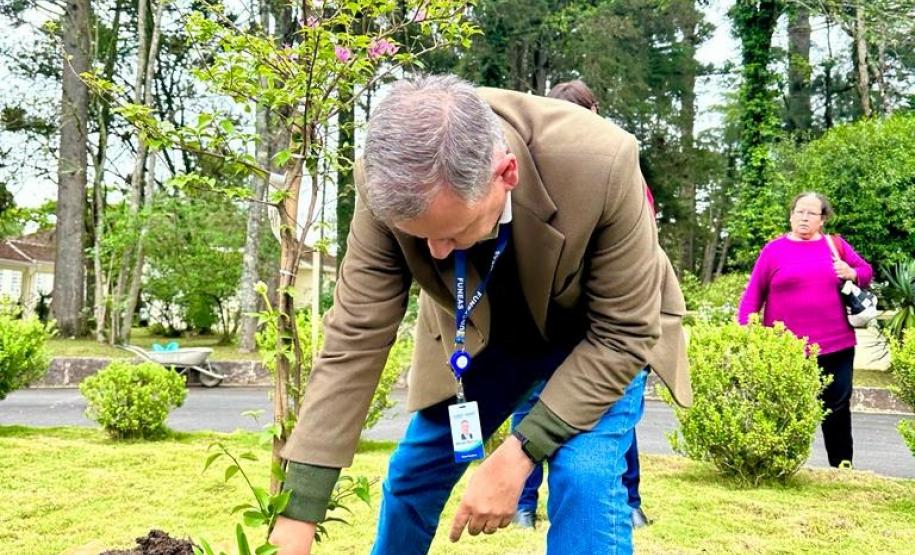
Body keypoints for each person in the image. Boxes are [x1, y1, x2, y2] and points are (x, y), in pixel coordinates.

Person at [268, 74, 691, 554]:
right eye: (420, 235)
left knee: (584, 478)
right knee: (414, 473)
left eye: (454, 230)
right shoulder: (385, 181)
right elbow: (355, 336)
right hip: (488, 339)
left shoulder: (603, 162)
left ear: (506, 174)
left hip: (597, 338)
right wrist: (298, 509)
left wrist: (519, 453)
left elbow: (624, 331)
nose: (436, 251)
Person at [509, 79, 661, 530]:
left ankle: (629, 498)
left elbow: (643, 250)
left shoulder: (620, 168)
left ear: (595, 114)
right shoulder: (528, 170)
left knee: (606, 430)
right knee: (528, 407)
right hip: (542, 330)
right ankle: (522, 503)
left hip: (606, 329)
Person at [737, 192, 873, 468]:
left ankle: (841, 465)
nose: (804, 217)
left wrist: (851, 272)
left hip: (836, 345)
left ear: (822, 220)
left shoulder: (835, 245)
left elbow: (866, 271)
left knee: (836, 409)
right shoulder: (773, 250)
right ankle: (779, 465)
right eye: (799, 211)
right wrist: (745, 333)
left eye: (811, 213)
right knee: (784, 407)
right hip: (786, 349)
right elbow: (753, 296)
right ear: (791, 215)